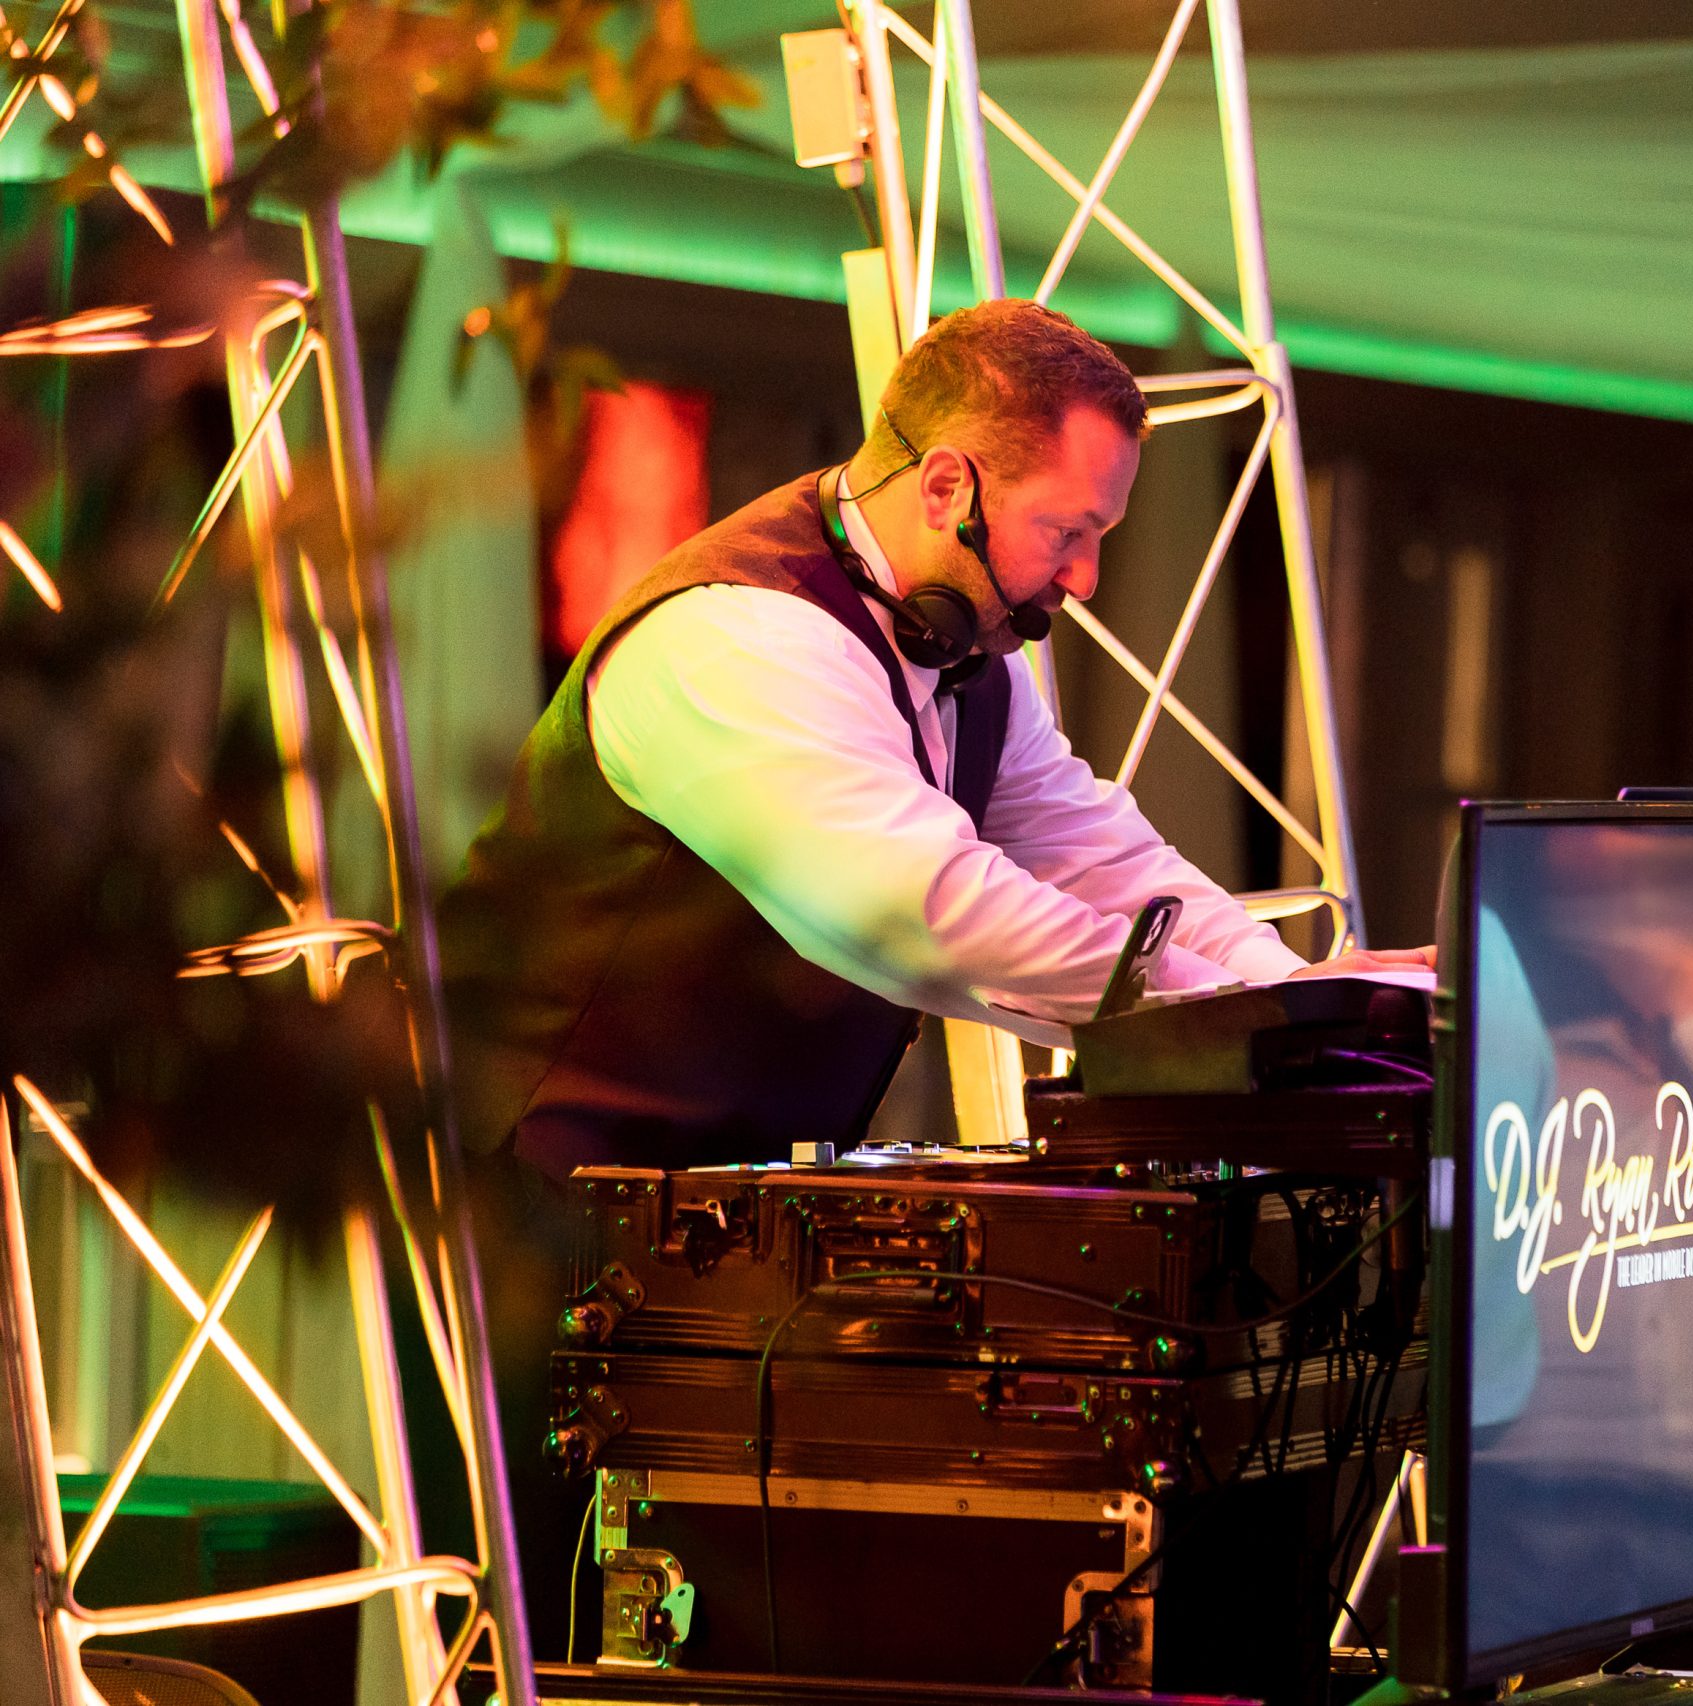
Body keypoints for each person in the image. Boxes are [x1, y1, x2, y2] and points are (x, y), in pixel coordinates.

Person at [430, 298, 1424, 1646]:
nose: (1080, 580)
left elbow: (1095, 849)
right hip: (528, 1202)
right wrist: (1230, 1019)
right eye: (1066, 533)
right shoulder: (739, 633)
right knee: (547, 1650)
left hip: (691, 1232)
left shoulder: (968, 655)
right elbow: (917, 911)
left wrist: (1295, 993)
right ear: (950, 481)